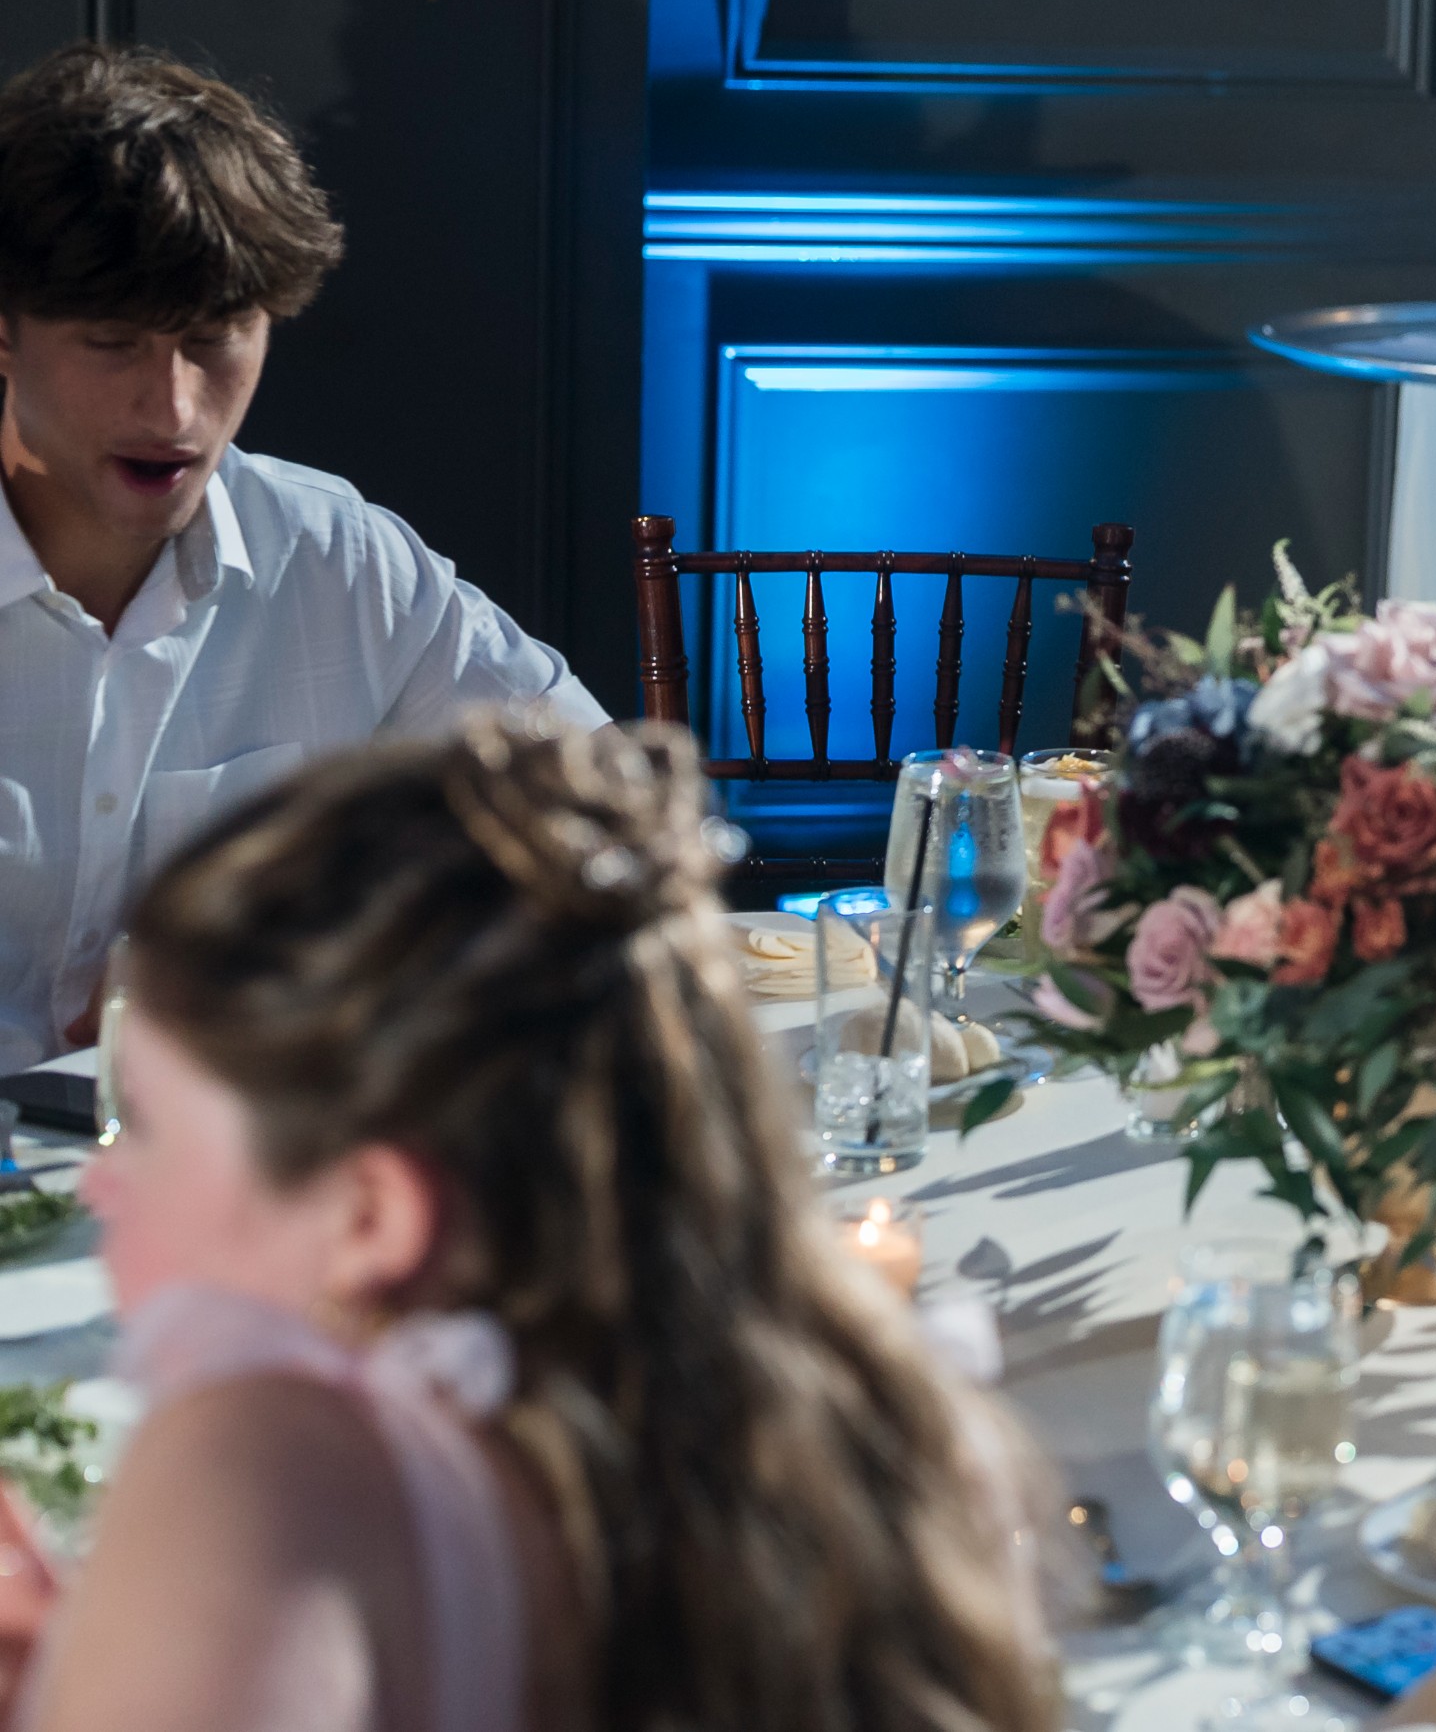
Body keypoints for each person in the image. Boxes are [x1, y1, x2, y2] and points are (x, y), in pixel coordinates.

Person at [0, 717, 1053, 1732]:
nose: (98, 1184)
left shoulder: (262, 1478)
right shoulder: (890, 1430)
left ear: (373, 1217)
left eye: (145, 1127)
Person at [0, 44, 599, 1071]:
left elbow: (598, 806)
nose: (173, 408)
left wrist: (331, 959)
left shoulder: (337, 560)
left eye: (215, 338)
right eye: (112, 342)